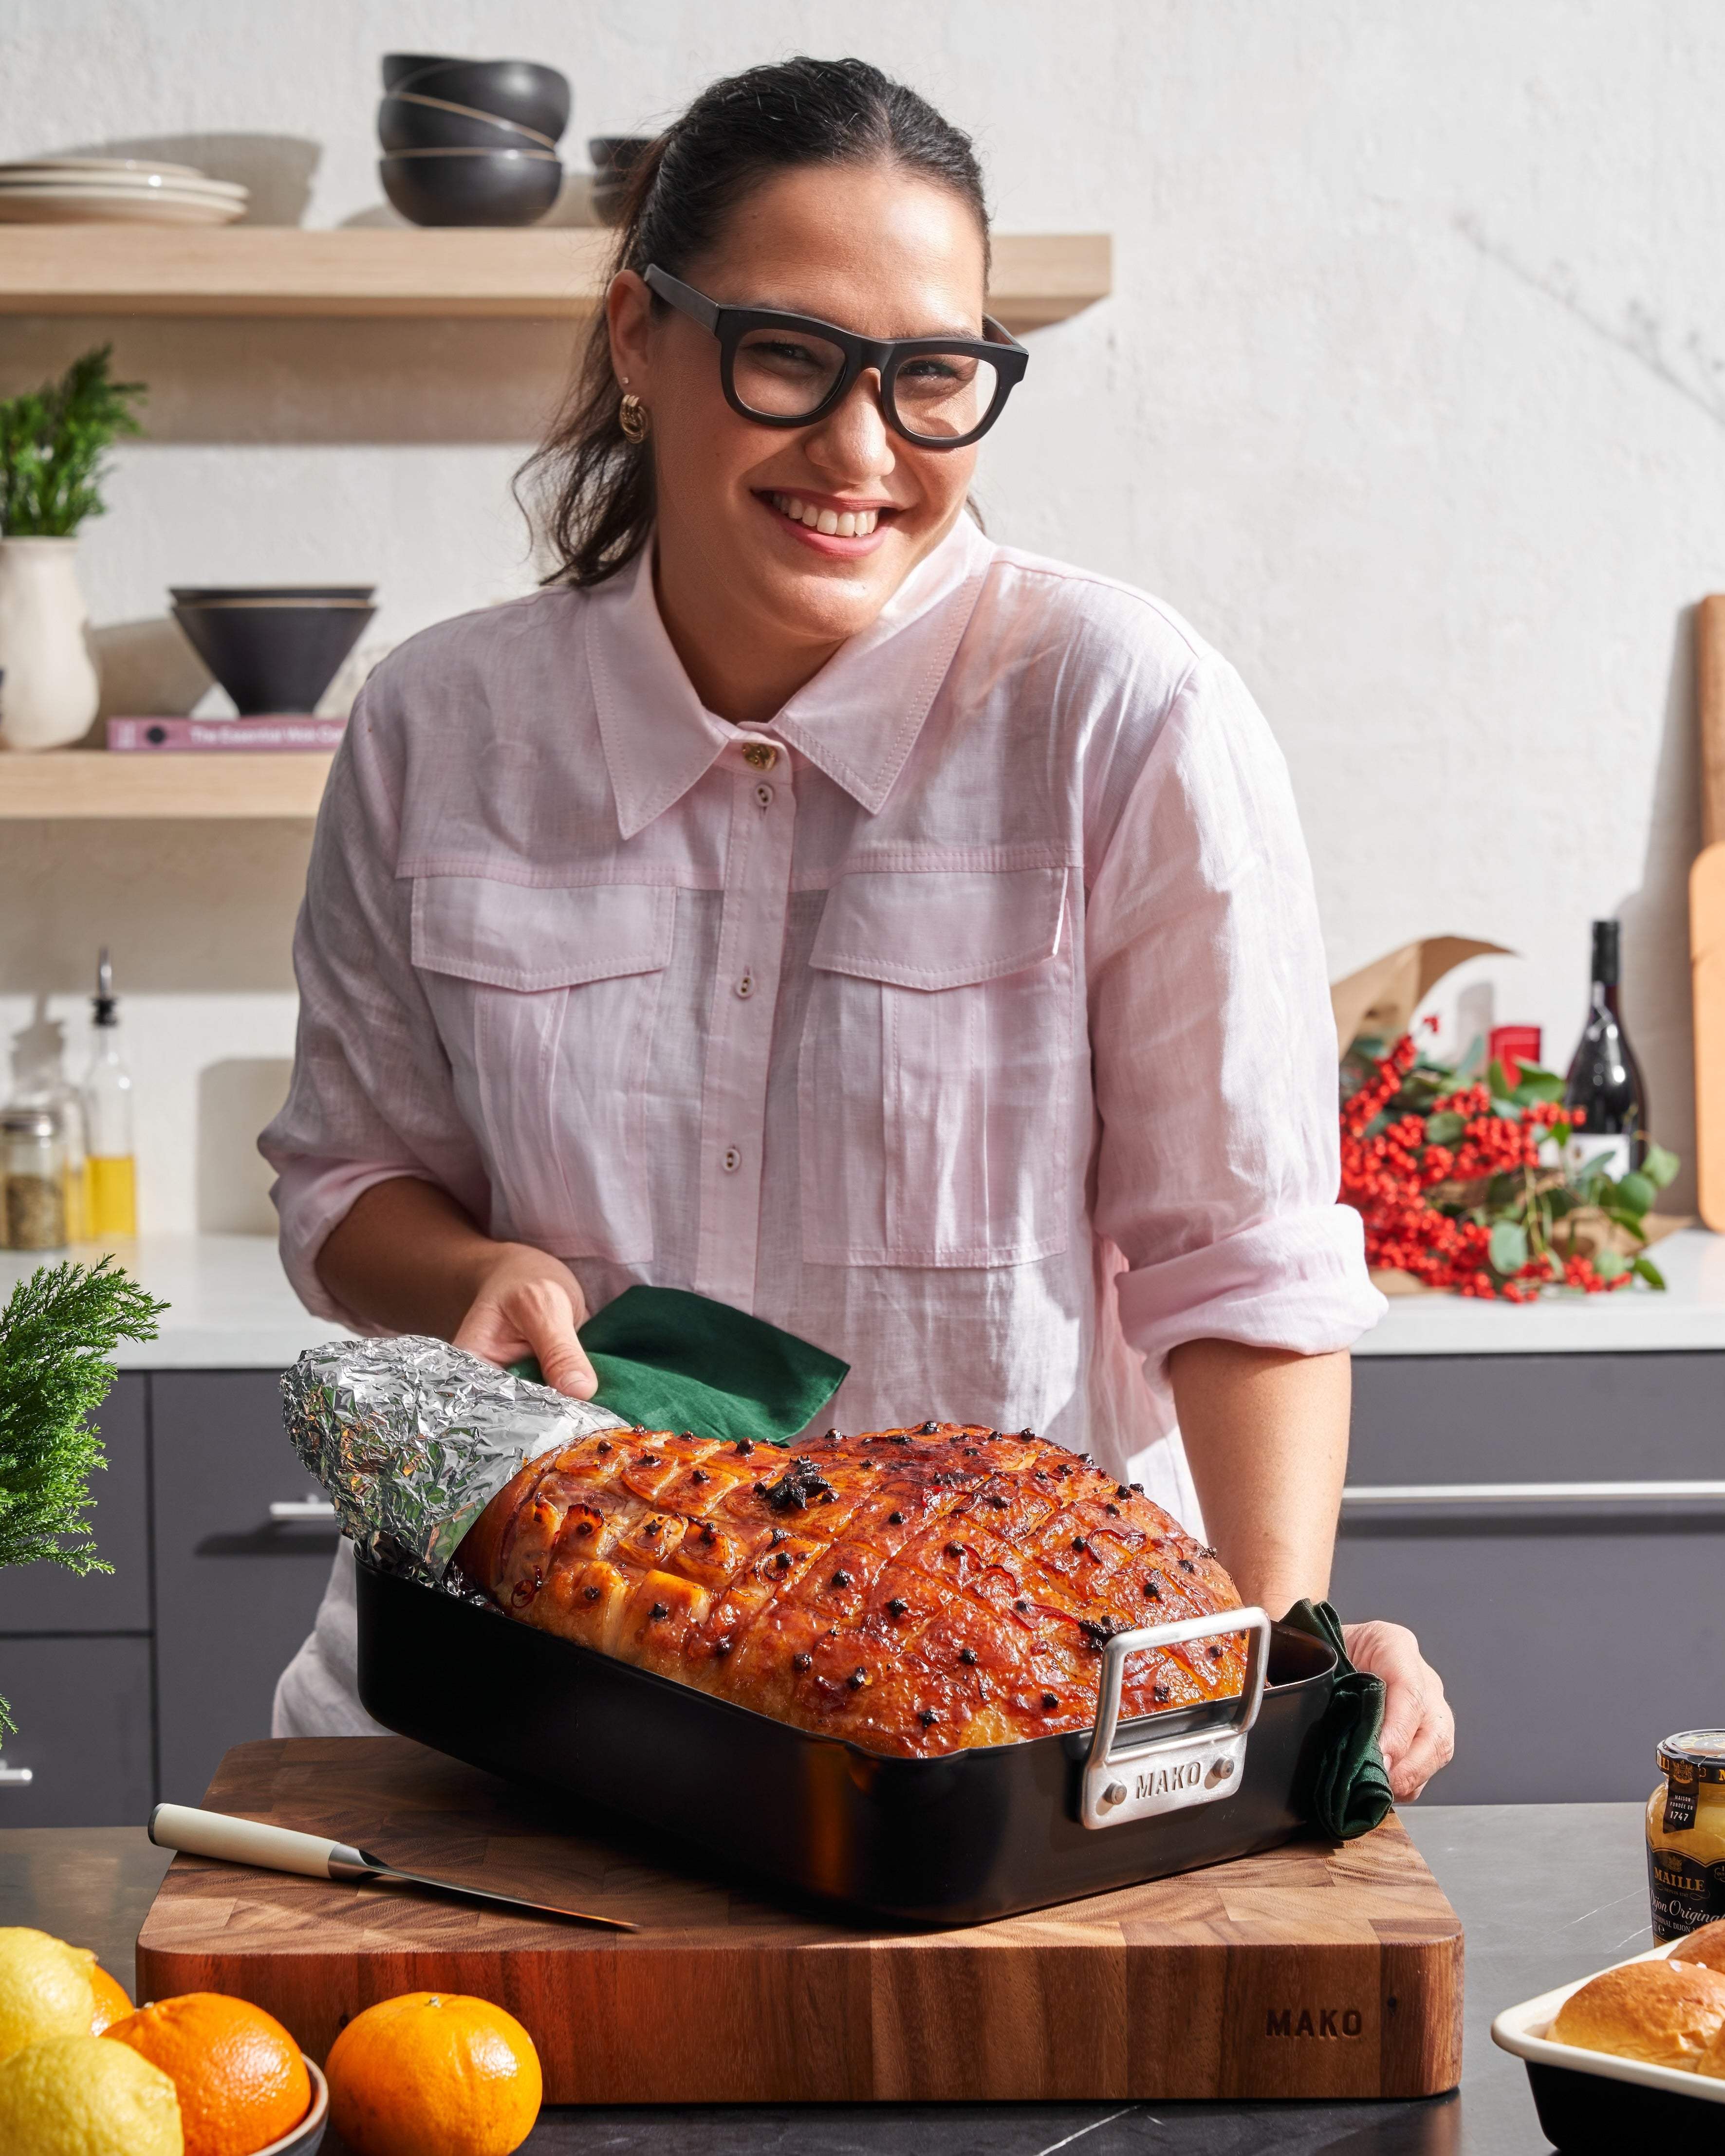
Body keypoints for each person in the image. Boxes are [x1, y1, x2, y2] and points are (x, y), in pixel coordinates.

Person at [262, 55, 1453, 1798]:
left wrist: (1267, 1681)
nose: (861, 447)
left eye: (932, 377)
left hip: (993, 1706)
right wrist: (471, 1272)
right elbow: (344, 1181)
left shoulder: (1127, 714)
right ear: (636, 340)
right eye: (789, 357)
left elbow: (1242, 1265)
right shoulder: (441, 724)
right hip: (525, 1677)